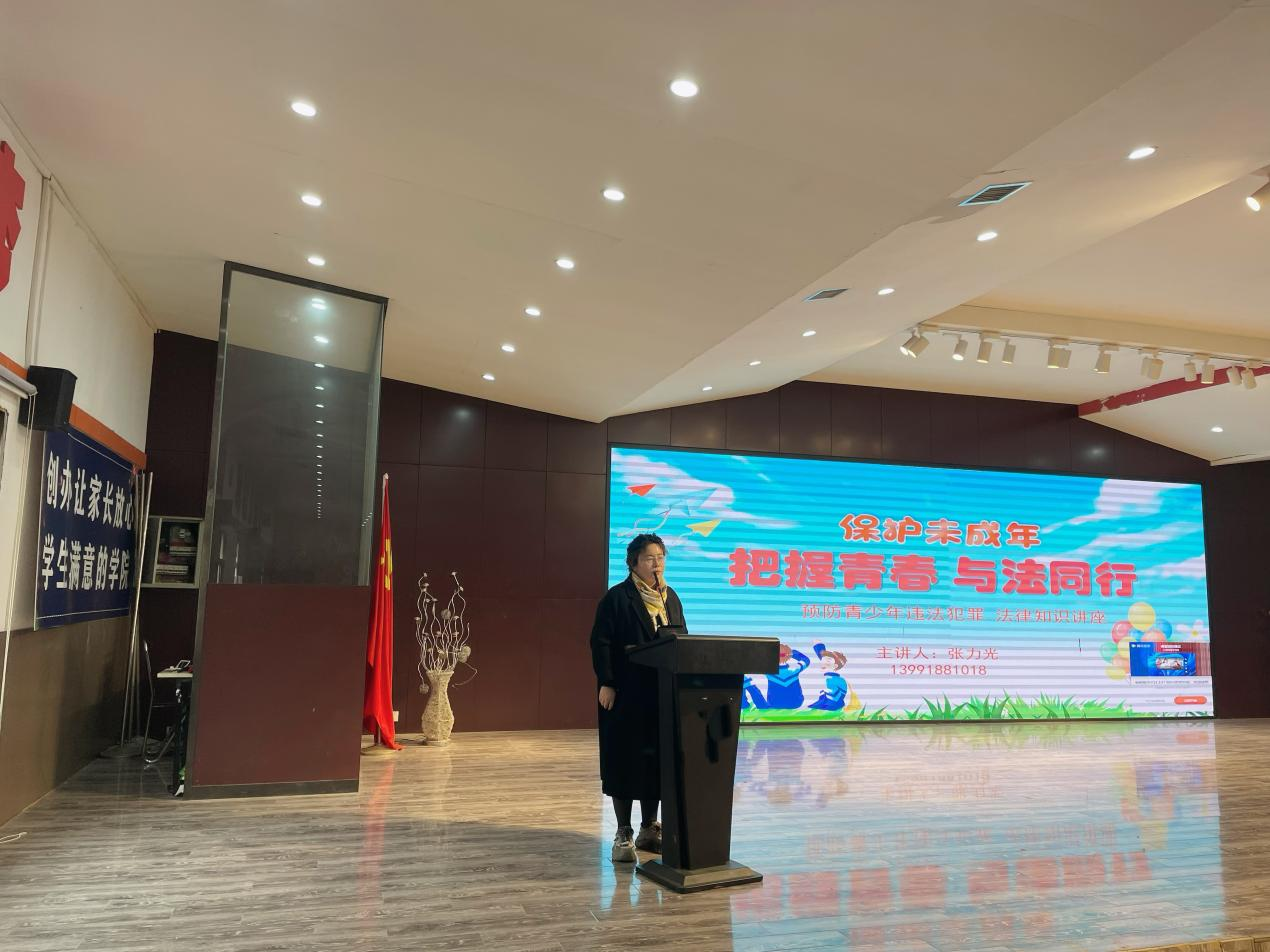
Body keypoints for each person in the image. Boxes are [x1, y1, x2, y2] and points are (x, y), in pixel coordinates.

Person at [589, 532, 686, 863]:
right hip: (625, 693)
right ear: (633, 562)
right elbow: (601, 643)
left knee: (654, 762)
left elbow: (681, 641)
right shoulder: (618, 598)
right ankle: (623, 831)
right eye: (649, 558)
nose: (656, 564)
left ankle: (649, 827)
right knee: (624, 761)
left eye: (660, 557)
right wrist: (607, 682)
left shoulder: (670, 598)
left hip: (661, 693)